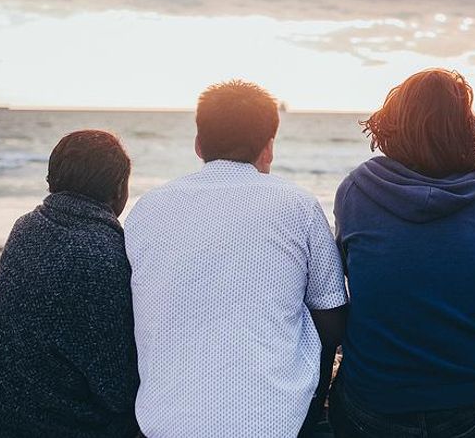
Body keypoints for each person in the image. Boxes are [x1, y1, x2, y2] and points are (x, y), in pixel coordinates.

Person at [125, 80, 348, 438]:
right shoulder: (297, 206)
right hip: (274, 425)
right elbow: (333, 318)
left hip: (161, 424)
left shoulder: (147, 209)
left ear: (198, 146)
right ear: (269, 148)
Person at [0, 130, 139, 438]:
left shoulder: (26, 225)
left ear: (51, 183)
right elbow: (118, 390)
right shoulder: (109, 255)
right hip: (47, 426)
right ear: (119, 190)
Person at [329, 68, 475, 438]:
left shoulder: (355, 190)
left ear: (395, 123)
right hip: (472, 409)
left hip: (374, 409)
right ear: (462, 130)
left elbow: (349, 274)